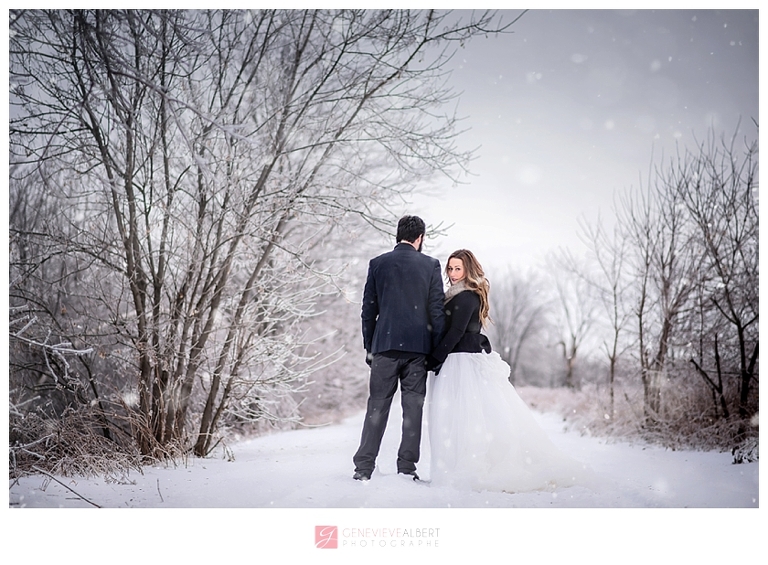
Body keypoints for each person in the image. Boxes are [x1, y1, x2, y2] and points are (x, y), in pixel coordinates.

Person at [426, 249, 591, 493]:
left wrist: (434, 358)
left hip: (461, 361)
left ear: (468, 270)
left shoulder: (466, 297)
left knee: (466, 416)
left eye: (457, 268)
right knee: (459, 416)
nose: (452, 274)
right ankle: (457, 466)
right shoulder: (456, 295)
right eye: (449, 268)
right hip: (458, 358)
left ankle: (471, 468)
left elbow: (456, 332)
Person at [352, 215, 446, 482]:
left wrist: (370, 347)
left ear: (398, 235)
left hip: (384, 347)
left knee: (376, 408)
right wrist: (436, 352)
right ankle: (406, 467)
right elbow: (436, 312)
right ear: (420, 238)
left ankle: (364, 467)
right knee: (412, 410)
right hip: (417, 351)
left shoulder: (378, 264)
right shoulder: (430, 265)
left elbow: (368, 311)